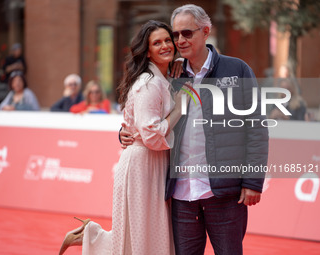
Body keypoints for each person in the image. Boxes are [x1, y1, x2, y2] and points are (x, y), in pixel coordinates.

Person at [121, 4, 269, 255]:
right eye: (176, 35)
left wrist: (253, 181)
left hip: (224, 193)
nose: (179, 40)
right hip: (181, 195)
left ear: (206, 31)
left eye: (186, 33)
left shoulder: (237, 70)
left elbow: (256, 128)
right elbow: (148, 113)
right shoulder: (171, 75)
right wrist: (126, 132)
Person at [59, 20, 188, 255]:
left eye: (167, 40)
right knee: (141, 237)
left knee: (140, 236)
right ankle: (92, 235)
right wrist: (180, 108)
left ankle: (90, 234)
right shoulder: (148, 83)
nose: (165, 46)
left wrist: (180, 63)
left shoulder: (160, 77)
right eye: (156, 43)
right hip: (144, 163)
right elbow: (149, 134)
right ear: (147, 51)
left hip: (151, 162)